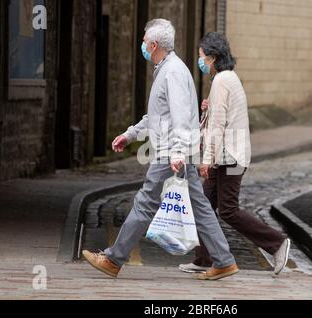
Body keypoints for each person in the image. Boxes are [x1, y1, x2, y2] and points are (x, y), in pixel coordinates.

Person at [82, 19, 238, 281]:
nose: (142, 44)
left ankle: (113, 259)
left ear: (154, 45)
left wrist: (177, 152)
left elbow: (178, 116)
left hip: (171, 153)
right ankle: (224, 260)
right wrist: (131, 134)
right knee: (199, 205)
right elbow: (157, 115)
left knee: (145, 203)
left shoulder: (172, 72)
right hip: (178, 151)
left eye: (144, 41)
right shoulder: (166, 69)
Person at [179, 32, 291, 275]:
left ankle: (277, 243)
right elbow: (224, 116)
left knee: (228, 209)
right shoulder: (228, 79)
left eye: (202, 57)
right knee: (204, 204)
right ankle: (203, 259)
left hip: (229, 156)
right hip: (229, 154)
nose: (200, 62)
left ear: (213, 57)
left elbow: (219, 125)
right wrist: (209, 109)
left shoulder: (221, 81)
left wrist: (206, 159)